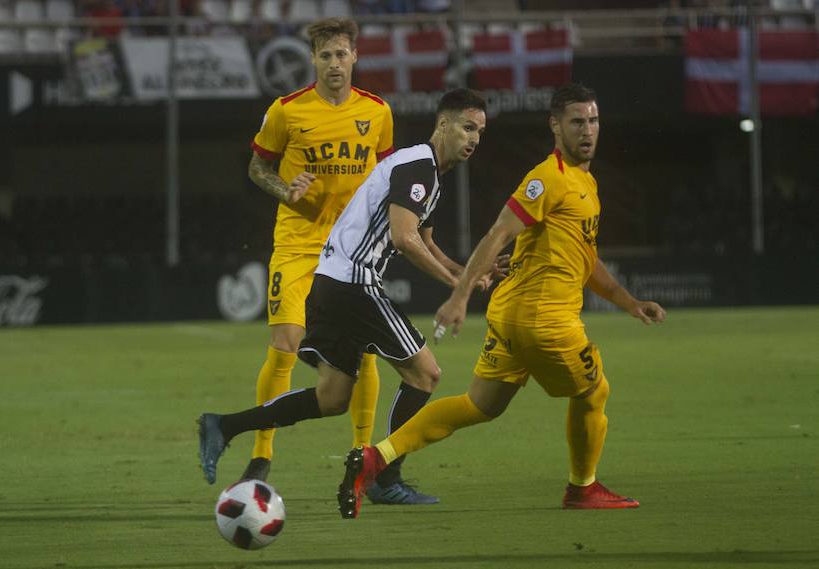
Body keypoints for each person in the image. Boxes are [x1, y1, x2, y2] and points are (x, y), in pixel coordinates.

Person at [337, 83, 667, 519]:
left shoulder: (584, 181)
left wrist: (628, 302)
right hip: (545, 320)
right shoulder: (546, 179)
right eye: (576, 122)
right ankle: (582, 488)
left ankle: (376, 459)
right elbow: (498, 233)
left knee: (479, 405)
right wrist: (458, 296)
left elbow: (586, 259)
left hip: (512, 317)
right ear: (555, 126)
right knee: (594, 390)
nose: (587, 130)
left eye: (593, 120)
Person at [199, 89, 492, 509]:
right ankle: (384, 478)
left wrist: (466, 272)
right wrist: (457, 287)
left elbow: (426, 239)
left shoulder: (429, 175)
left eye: (480, 131)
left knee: (332, 398)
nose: (474, 138)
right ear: (443, 125)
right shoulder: (417, 166)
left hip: (331, 283)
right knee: (425, 374)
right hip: (353, 282)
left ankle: (223, 426)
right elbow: (403, 238)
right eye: (467, 127)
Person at [213, 16, 402, 499]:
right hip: (298, 245)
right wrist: (286, 191)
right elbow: (258, 165)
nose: (335, 64)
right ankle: (261, 455)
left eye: (342, 54)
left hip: (352, 250)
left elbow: (385, 179)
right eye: (325, 56)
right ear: (312, 60)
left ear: (354, 56)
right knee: (286, 343)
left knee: (364, 350)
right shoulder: (286, 111)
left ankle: (364, 459)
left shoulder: (378, 112)